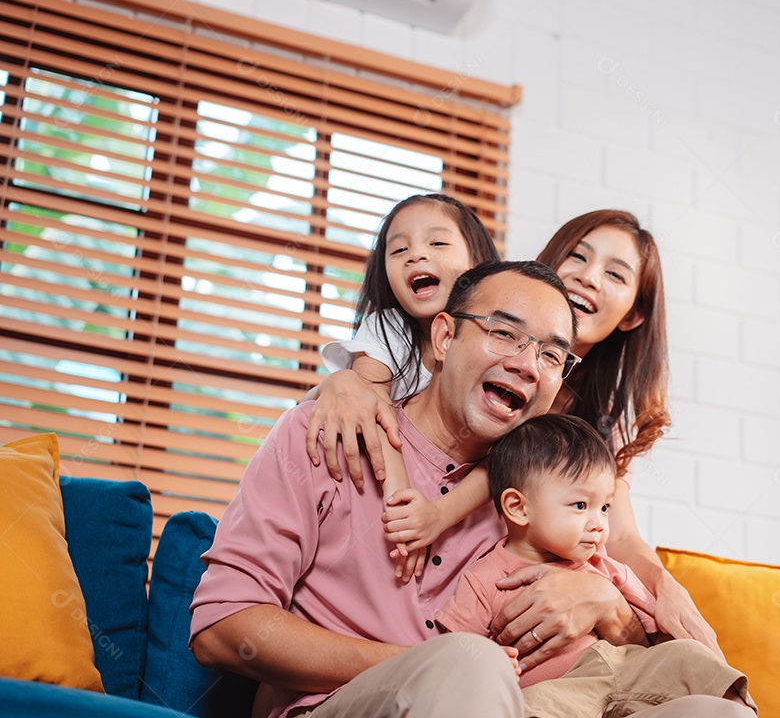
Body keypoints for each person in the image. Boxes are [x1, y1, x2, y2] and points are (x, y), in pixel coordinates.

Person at [191, 261, 650, 718]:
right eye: (504, 333)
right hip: (338, 708)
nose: (528, 365)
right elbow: (222, 627)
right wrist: (420, 665)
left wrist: (609, 607)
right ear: (445, 338)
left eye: (551, 355)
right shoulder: (323, 432)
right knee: (471, 663)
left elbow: (639, 660)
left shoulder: (551, 500)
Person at [308, 209, 719, 652]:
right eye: (577, 257)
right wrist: (342, 381)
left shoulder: (597, 419)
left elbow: (618, 534)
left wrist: (664, 586)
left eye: (615, 274)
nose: (589, 278)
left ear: (633, 314)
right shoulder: (461, 352)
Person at [436, 414, 756, 718]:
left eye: (604, 507)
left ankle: (741, 708)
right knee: (530, 706)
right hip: (559, 691)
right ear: (519, 508)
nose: (599, 524)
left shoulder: (604, 567)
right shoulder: (484, 579)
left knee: (688, 656)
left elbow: (648, 640)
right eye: (580, 505)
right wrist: (491, 660)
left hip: (624, 668)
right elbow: (456, 652)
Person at [307, 193, 500, 579]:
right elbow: (372, 403)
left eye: (437, 242)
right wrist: (401, 505)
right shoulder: (388, 328)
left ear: (477, 265)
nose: (415, 255)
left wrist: (437, 516)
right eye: (398, 250)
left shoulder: (495, 347)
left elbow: (508, 459)